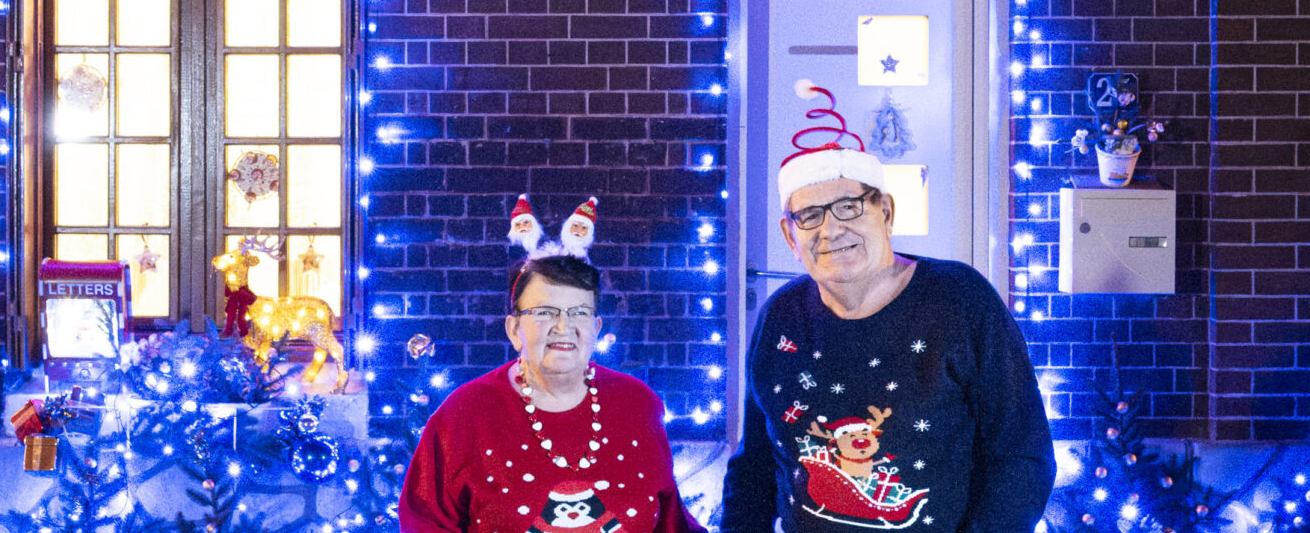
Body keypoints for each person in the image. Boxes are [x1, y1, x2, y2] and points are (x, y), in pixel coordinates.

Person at [720, 82, 1054, 533]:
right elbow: (756, 464)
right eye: (810, 216)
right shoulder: (781, 315)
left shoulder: (959, 301)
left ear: (887, 212)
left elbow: (1022, 455)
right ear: (789, 235)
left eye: (848, 206)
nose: (831, 230)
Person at [401, 252, 704, 533]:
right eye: (545, 312)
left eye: (579, 312)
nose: (564, 326)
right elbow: (425, 521)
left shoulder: (638, 404)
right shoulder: (465, 413)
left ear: (596, 328)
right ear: (514, 329)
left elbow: (671, 521)